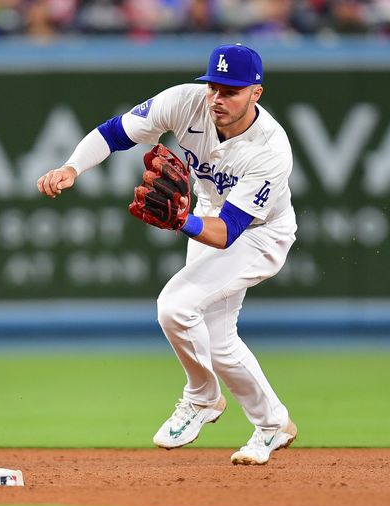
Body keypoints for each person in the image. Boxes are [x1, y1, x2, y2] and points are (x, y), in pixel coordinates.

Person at [37, 43, 297, 466]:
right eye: (214, 86)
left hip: (260, 232)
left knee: (175, 307)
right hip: (209, 212)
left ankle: (202, 398)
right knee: (217, 340)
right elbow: (113, 132)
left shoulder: (270, 149)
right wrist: (72, 168)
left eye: (231, 90)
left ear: (256, 93)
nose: (217, 97)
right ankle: (273, 424)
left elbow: (229, 232)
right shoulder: (185, 102)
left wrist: (182, 222)